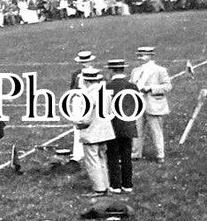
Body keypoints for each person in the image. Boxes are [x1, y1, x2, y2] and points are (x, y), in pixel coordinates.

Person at [71, 67, 115, 198]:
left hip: (92, 131)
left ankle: (99, 188)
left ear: (86, 81)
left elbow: (86, 117)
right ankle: (106, 185)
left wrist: (78, 123)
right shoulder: (105, 93)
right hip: (105, 131)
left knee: (92, 161)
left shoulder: (88, 96)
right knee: (102, 159)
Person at [131, 45, 172, 162]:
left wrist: (150, 88)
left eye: (143, 54)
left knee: (156, 130)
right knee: (136, 130)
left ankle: (160, 155)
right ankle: (135, 153)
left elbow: (167, 86)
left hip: (153, 104)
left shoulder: (159, 70)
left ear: (150, 56)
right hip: (138, 104)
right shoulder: (136, 71)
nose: (140, 56)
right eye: (139, 54)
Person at [104, 59, 138, 193]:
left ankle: (115, 184)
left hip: (112, 126)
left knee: (113, 155)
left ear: (111, 71)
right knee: (126, 155)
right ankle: (128, 184)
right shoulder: (132, 86)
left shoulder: (107, 87)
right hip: (128, 124)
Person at [69, 50, 96, 162]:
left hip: (91, 99)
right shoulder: (76, 74)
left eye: (86, 61)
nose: (84, 64)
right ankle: (78, 152)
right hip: (78, 100)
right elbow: (71, 89)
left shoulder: (95, 73)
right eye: (83, 62)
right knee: (78, 125)